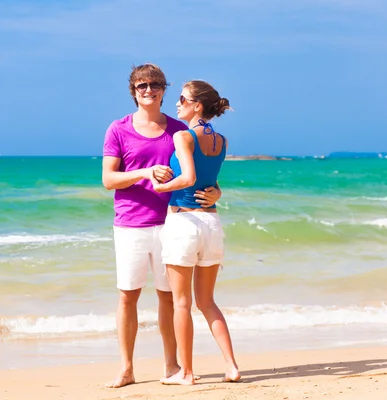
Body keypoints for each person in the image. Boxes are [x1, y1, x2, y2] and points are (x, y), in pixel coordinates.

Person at [102, 65, 222, 388]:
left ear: (163, 90)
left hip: (172, 223)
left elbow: (201, 171)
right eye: (142, 85)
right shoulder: (118, 129)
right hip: (129, 224)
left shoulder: (178, 129)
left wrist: (217, 192)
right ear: (133, 91)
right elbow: (108, 179)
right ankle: (126, 368)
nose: (148, 90)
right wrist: (144, 173)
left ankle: (172, 366)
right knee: (128, 296)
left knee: (168, 298)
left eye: (155, 84)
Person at [149, 80, 240, 386]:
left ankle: (185, 373)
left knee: (181, 303)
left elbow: (188, 177)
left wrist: (160, 186)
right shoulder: (222, 141)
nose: (177, 104)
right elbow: (209, 181)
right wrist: (219, 193)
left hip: (184, 223)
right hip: (211, 224)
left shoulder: (183, 136)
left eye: (182, 99)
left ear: (197, 105)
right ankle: (231, 366)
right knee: (207, 301)